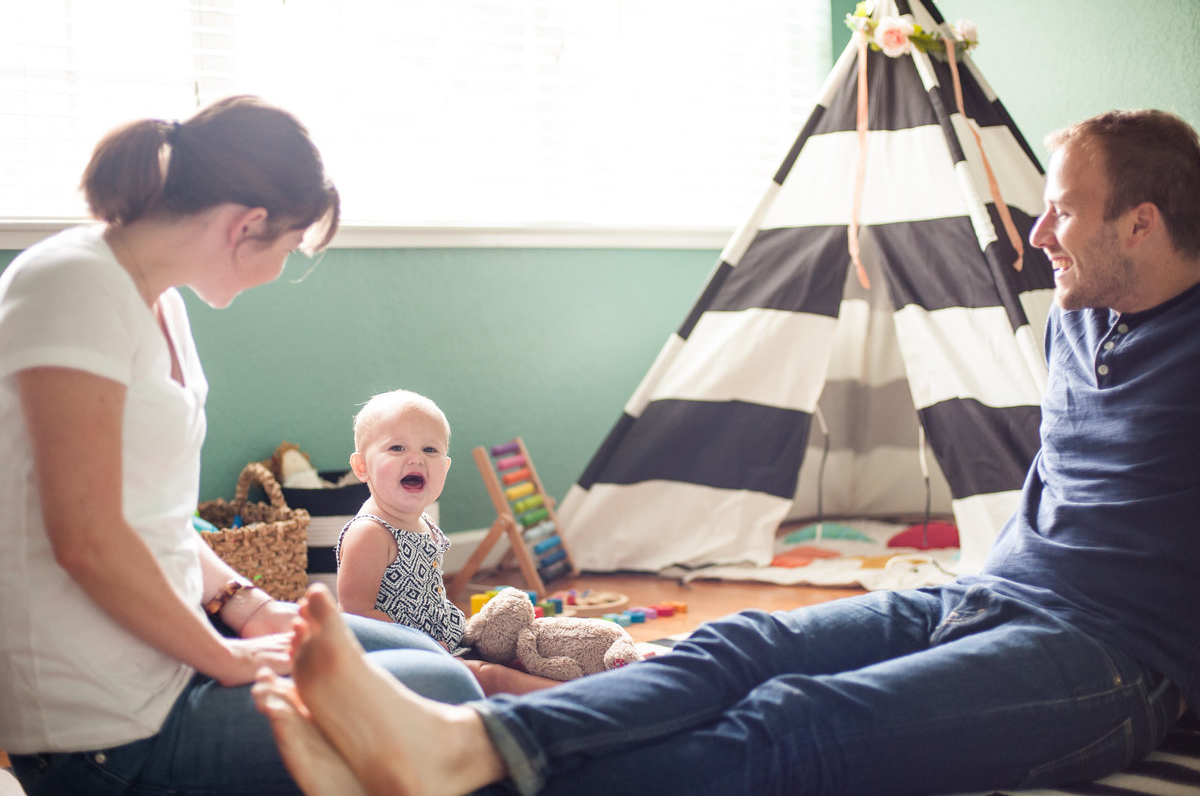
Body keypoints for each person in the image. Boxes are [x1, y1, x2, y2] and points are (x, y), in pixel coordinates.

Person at [252, 106, 1200, 796]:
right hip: (988, 593)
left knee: (800, 723)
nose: (1036, 236)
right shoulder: (1078, 323)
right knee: (745, 643)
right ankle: (468, 742)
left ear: (1142, 224)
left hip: (1110, 656)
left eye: (1061, 211)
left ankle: (477, 780)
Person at [0, 96, 482, 796]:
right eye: (287, 248)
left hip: (174, 655)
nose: (282, 266)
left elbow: (154, 513)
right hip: (109, 726)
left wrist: (245, 606)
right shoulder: (69, 286)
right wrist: (227, 659)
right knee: (443, 700)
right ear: (247, 225)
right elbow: (86, 539)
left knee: (433, 662)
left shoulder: (158, 298)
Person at [337, 389, 466, 651]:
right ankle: (570, 692)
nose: (417, 458)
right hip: (402, 653)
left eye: (430, 449)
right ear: (362, 467)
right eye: (397, 447)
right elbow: (356, 614)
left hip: (441, 642)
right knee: (492, 675)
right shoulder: (370, 533)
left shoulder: (423, 522)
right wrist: (424, 646)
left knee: (516, 647)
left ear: (446, 467)